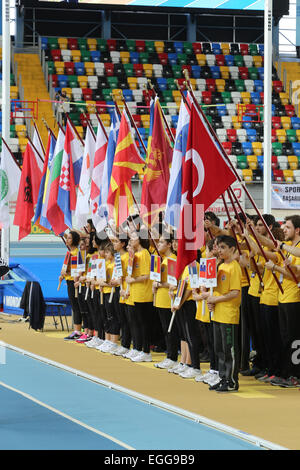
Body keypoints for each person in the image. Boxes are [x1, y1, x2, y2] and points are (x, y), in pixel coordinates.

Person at [202, 235, 242, 392]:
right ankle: (223, 378)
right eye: (218, 247)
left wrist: (216, 299)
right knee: (219, 349)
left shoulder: (234, 267)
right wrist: (211, 300)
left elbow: (234, 292)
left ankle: (232, 381)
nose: (219, 250)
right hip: (217, 314)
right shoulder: (219, 266)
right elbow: (216, 289)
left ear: (232, 249)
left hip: (229, 315)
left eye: (223, 247)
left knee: (229, 349)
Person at [264, 215, 300, 387]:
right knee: (285, 338)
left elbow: (296, 274)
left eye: (288, 227)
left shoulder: (296, 247)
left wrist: (277, 267)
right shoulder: (288, 248)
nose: (284, 230)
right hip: (283, 297)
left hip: (294, 299)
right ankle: (287, 373)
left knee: (294, 339)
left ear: (297, 230)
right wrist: (249, 233)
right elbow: (271, 245)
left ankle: (295, 375)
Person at [192, 239, 219, 386]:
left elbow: (214, 290)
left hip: (212, 309)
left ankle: (216, 370)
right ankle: (212, 369)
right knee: (209, 341)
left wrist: (202, 295)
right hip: (204, 309)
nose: (205, 254)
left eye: (207, 251)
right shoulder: (204, 266)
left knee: (215, 343)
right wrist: (198, 294)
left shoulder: (215, 266)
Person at [125, 229, 153, 362]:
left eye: (134, 236)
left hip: (143, 294)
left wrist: (133, 280)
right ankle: (139, 348)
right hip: (135, 293)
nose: (131, 238)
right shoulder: (135, 254)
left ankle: (146, 351)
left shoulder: (145, 253)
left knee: (144, 324)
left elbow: (146, 275)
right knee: (137, 322)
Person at [152, 231, 179, 370]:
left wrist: (159, 284)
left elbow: (173, 282)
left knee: (170, 329)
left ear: (169, 245)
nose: (158, 244)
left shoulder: (172, 259)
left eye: (162, 242)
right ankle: (169, 355)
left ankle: (172, 357)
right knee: (165, 329)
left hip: (168, 299)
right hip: (161, 299)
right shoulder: (162, 259)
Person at [60, 231, 82, 340]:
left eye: (69, 238)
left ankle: (78, 331)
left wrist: (67, 273)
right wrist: (63, 275)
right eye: (67, 238)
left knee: (76, 306)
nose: (67, 240)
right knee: (74, 306)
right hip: (69, 282)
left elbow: (76, 271)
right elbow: (67, 269)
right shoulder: (69, 252)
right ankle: (76, 330)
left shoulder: (77, 253)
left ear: (74, 240)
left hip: (75, 283)